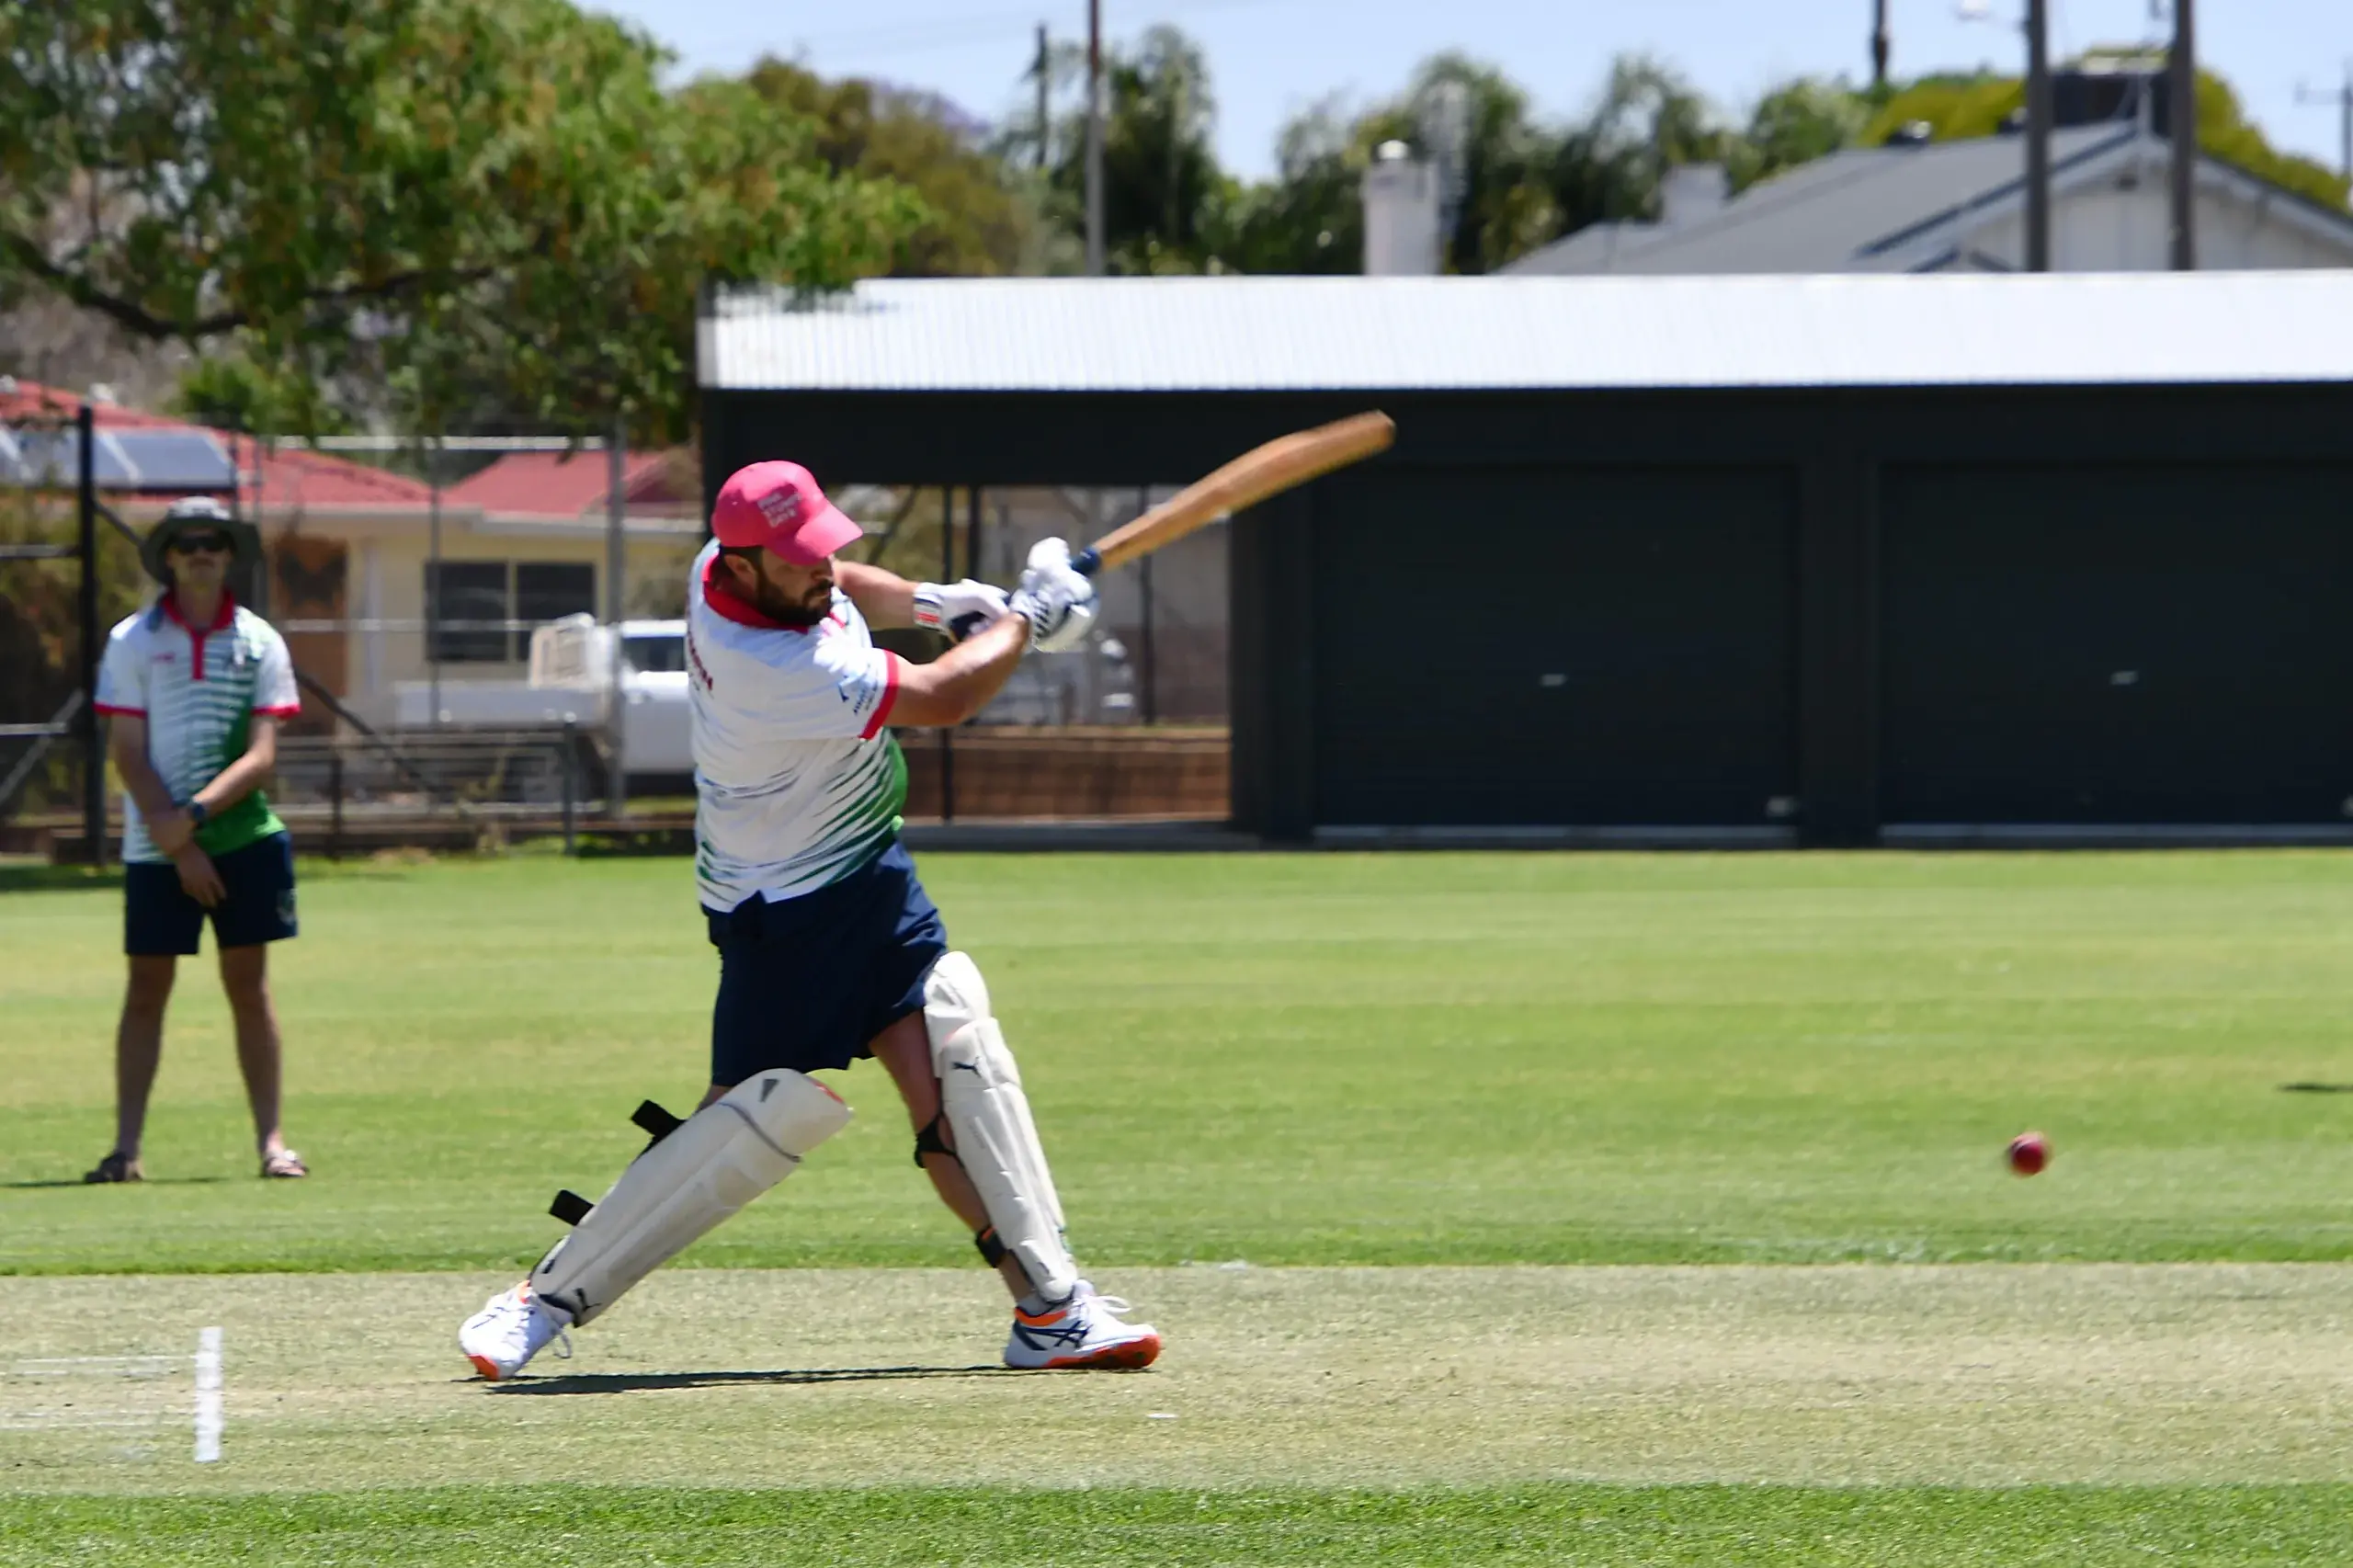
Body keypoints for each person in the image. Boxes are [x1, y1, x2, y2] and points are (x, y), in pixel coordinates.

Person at [459, 461, 1159, 1380]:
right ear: (745, 568)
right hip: (779, 910)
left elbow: (849, 587)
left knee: (958, 1070)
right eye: (801, 559)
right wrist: (1026, 614)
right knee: (728, 1130)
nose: (823, 569)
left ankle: (1052, 1309)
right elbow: (948, 697)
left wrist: (936, 597)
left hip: (873, 877)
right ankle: (540, 1301)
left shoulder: (739, 564)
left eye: (825, 547)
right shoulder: (772, 662)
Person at [85, 496, 307, 1184]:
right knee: (146, 987)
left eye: (213, 542)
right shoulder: (133, 640)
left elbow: (263, 755)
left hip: (242, 839)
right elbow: (127, 750)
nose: (201, 553)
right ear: (170, 557)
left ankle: (272, 1144)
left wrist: (200, 820)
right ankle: (126, 1149)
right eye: (188, 544)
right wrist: (177, 844)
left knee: (249, 986)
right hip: (157, 846)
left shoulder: (260, 641)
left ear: (230, 554)